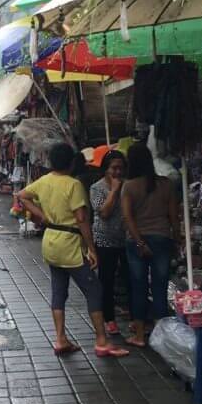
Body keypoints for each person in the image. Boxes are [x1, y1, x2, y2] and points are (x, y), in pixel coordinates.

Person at [17, 143, 130, 358]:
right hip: (70, 242)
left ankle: (60, 339)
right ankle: (102, 341)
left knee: (59, 290)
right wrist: (91, 248)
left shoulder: (45, 180)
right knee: (94, 290)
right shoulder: (73, 184)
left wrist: (42, 215)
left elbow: (21, 195)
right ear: (71, 162)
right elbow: (81, 219)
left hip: (51, 242)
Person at [122, 143, 180, 347]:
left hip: (137, 242)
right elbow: (174, 217)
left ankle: (138, 336)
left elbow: (128, 218)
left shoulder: (129, 186)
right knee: (160, 288)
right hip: (162, 239)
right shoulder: (166, 184)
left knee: (138, 288)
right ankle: (162, 336)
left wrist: (139, 241)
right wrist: (177, 239)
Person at [90, 151, 128, 337]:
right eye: (114, 168)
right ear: (106, 169)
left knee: (129, 279)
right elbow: (103, 213)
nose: (118, 172)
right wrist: (114, 190)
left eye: (121, 168)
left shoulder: (128, 186)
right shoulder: (97, 188)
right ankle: (109, 319)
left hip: (126, 238)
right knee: (107, 280)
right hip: (104, 239)